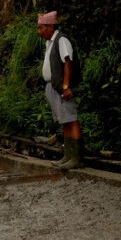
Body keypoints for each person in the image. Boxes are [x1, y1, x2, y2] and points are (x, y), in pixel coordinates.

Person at [37, 11, 84, 169]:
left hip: (62, 87)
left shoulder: (61, 40)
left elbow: (67, 62)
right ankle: (67, 156)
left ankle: (76, 158)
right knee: (64, 121)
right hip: (53, 86)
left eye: (41, 28)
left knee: (71, 119)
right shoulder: (49, 42)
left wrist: (66, 86)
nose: (39, 31)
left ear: (50, 27)